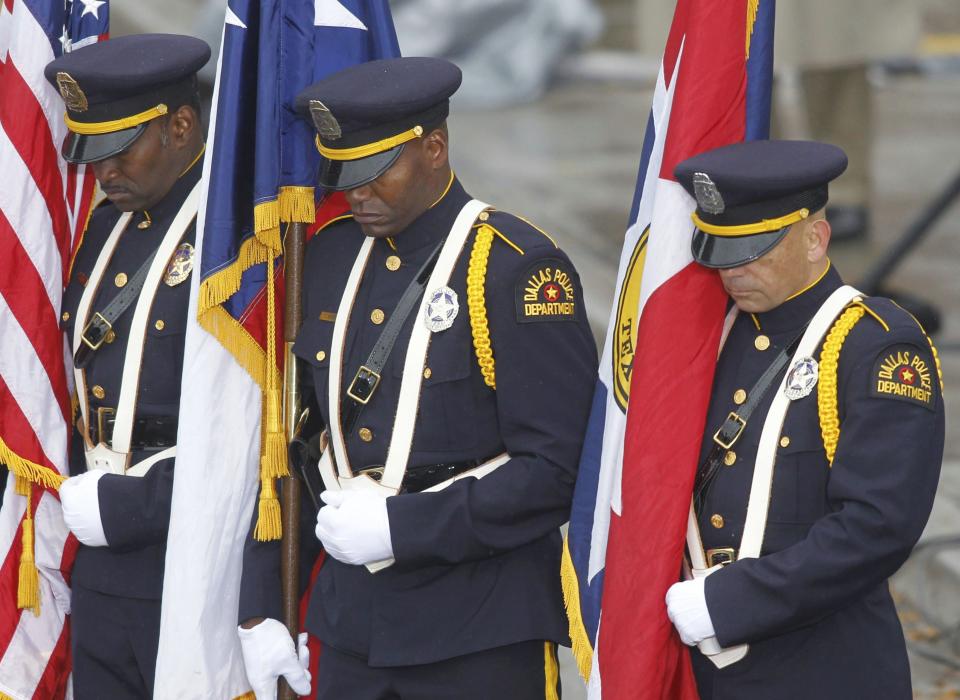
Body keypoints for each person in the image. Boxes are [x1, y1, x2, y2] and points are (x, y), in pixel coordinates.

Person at [237, 57, 597, 699]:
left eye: (377, 174)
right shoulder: (330, 255)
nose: (357, 195)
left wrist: (404, 527)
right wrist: (265, 603)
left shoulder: (517, 270)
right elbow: (301, 444)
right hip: (350, 630)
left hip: (476, 632)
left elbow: (556, 471)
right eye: (345, 176)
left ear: (434, 147)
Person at [664, 139, 944, 698]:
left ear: (815, 239)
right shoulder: (713, 336)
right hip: (707, 671)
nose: (734, 274)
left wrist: (728, 602)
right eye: (724, 253)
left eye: (756, 252)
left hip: (822, 668)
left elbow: (875, 526)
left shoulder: (877, 347)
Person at [44, 34, 209, 699]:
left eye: (121, 149)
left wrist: (133, 505)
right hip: (101, 554)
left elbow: (259, 429)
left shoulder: (238, 240)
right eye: (95, 152)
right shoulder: (103, 227)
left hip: (190, 548)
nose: (106, 172)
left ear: (180, 124)